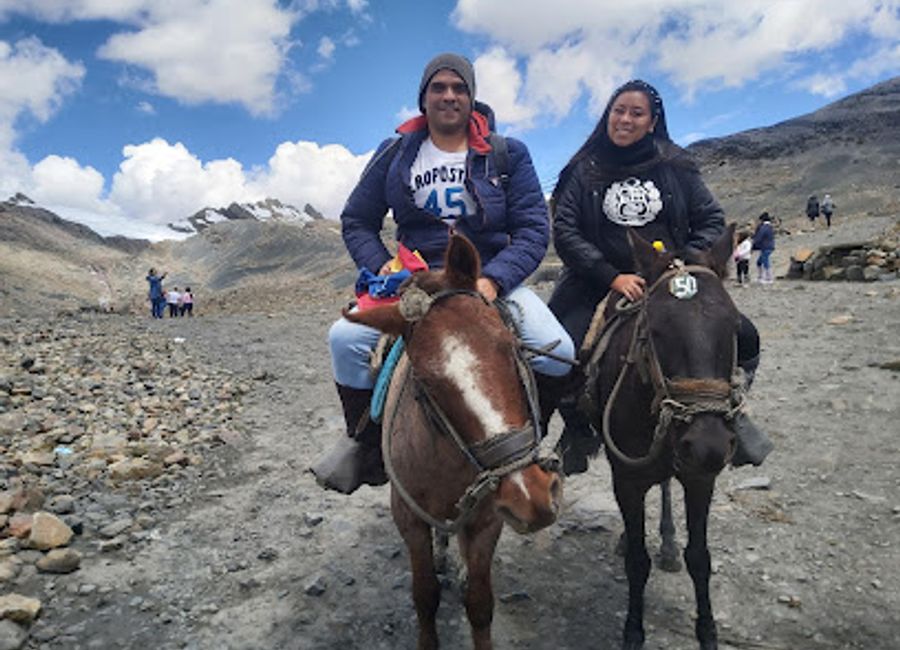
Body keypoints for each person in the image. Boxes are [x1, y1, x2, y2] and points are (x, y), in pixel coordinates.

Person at [312, 53, 576, 494]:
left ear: (472, 98)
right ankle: (365, 443)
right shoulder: (394, 153)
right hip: (415, 283)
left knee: (557, 351)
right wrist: (381, 266)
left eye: (459, 87)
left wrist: (493, 279)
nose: (449, 95)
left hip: (489, 278)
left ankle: (532, 442)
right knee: (344, 339)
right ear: (424, 98)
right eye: (439, 87)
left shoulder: (508, 154)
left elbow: (533, 229)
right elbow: (357, 219)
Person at [548, 79, 771, 470]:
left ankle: (729, 410)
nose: (625, 119)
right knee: (556, 349)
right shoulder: (582, 171)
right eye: (619, 110)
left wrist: (682, 260)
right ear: (607, 115)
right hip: (595, 279)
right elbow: (565, 230)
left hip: (671, 277)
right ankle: (577, 429)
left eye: (637, 113)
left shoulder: (676, 166)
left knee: (745, 336)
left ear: (652, 122)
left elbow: (711, 219)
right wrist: (610, 275)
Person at [752, 212, 775, 284]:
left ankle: (768, 278)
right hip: (769, 246)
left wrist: (753, 244)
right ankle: (761, 277)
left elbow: (759, 237)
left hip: (765, 247)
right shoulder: (770, 227)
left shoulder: (763, 228)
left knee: (765, 262)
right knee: (759, 262)